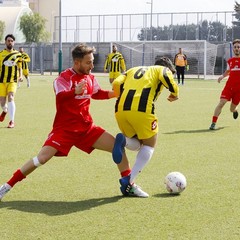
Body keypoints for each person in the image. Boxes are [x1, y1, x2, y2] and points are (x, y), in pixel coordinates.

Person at [0, 43, 147, 201]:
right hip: (64, 130)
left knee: (117, 147)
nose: (92, 65)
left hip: (87, 128)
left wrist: (115, 94)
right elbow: (60, 96)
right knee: (41, 159)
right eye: (88, 62)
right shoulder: (63, 78)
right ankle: (6, 187)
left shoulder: (90, 77)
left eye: (92, 61)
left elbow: (97, 93)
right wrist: (74, 91)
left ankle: (128, 185)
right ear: (77, 62)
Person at [111, 57, 179, 197]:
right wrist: (174, 93)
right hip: (142, 110)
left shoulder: (133, 69)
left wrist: (121, 95)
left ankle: (124, 140)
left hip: (120, 110)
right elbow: (166, 75)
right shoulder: (161, 69)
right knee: (150, 144)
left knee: (137, 144)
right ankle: (129, 180)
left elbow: (117, 82)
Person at [209, 39, 240, 130]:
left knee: (231, 109)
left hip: (238, 90)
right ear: (233, 49)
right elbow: (228, 71)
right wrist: (222, 76)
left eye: (238, 47)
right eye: (235, 47)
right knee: (221, 103)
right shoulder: (230, 61)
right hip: (229, 87)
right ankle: (213, 123)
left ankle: (235, 110)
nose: (237, 49)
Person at [0, 34, 23, 128]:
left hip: (13, 80)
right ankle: (5, 110)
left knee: (11, 96)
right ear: (5, 42)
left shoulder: (18, 54)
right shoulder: (1, 54)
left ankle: (12, 121)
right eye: (8, 40)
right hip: (2, 81)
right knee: (2, 101)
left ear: (14, 42)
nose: (10, 42)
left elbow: (20, 67)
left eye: (11, 41)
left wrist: (20, 76)